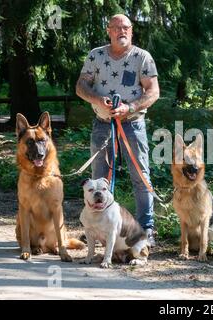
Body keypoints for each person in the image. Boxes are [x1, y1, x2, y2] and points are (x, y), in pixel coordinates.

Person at [76, 14, 159, 247]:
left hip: (133, 125)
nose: (121, 31)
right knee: (98, 179)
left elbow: (153, 92)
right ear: (108, 31)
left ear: (131, 31)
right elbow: (81, 86)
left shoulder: (142, 57)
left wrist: (129, 107)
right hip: (102, 125)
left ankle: (146, 230)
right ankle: (96, 229)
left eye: (126, 28)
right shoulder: (96, 55)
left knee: (140, 177)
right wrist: (98, 100)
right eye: (116, 28)